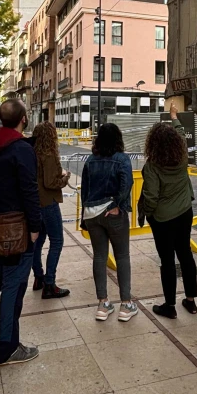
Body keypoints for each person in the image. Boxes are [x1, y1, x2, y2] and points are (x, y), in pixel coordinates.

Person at [0, 99, 42, 366]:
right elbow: (29, 191)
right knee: (14, 284)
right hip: (18, 228)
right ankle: (8, 347)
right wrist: (35, 227)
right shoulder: (21, 150)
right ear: (23, 119)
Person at [141, 102, 197, 318]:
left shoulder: (152, 166)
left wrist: (148, 213)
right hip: (184, 213)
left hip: (163, 219)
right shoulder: (182, 156)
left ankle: (170, 306)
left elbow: (151, 196)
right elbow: (181, 132)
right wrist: (174, 116)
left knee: (167, 260)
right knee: (185, 253)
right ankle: (191, 301)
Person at [81, 123, 137, 322]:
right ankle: (125, 304)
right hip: (113, 214)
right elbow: (127, 183)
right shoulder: (122, 159)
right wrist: (118, 205)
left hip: (92, 214)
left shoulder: (90, 160)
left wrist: (83, 217)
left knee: (99, 257)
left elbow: (85, 191)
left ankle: (103, 304)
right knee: (122, 257)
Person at [30, 121, 71, 299]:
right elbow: (51, 183)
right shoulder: (50, 155)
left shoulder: (32, 154)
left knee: (38, 242)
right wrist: (65, 178)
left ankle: (38, 276)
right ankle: (50, 283)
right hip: (49, 202)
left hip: (35, 203)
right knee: (57, 242)